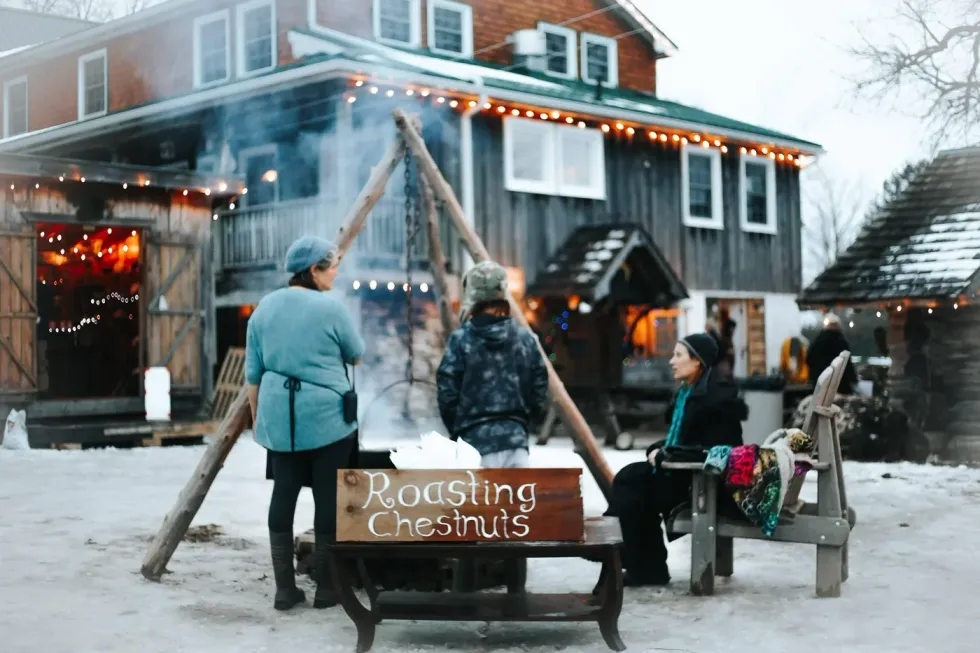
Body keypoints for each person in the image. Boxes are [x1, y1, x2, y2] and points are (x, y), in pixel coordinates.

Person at [245, 235, 364, 612]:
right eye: (331, 266)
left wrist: (258, 421)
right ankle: (326, 590)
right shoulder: (331, 309)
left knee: (284, 492)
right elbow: (356, 356)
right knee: (328, 498)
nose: (336, 272)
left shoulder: (263, 309)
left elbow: (253, 375)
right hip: (329, 420)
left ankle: (284, 590)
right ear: (313, 270)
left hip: (280, 420)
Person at [604, 333, 747, 586]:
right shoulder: (688, 394)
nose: (672, 361)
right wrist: (662, 448)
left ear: (698, 362)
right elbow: (684, 441)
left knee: (631, 483)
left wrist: (668, 453)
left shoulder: (717, 400)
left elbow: (719, 450)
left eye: (678, 355)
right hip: (687, 475)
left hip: (706, 485)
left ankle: (631, 558)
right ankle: (639, 561)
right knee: (632, 481)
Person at [436, 260, 549, 468]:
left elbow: (447, 392)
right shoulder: (524, 339)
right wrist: (522, 424)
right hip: (516, 446)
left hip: (473, 446)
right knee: (516, 501)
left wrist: (459, 430)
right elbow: (539, 387)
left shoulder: (461, 340)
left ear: (472, 296)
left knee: (479, 502)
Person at [806, 314, 858, 393]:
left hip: (820, 383)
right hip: (840, 385)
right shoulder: (842, 342)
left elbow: (809, 359)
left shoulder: (817, 342)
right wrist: (853, 379)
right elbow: (847, 364)